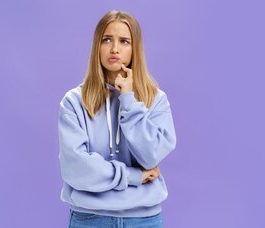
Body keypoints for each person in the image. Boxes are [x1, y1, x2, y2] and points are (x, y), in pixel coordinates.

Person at [58, 10, 177, 228]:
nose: (114, 49)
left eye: (124, 41)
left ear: (135, 49)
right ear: (97, 47)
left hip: (144, 220)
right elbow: (77, 169)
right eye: (107, 40)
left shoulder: (157, 100)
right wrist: (134, 177)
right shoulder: (74, 102)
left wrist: (129, 100)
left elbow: (150, 156)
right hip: (90, 219)